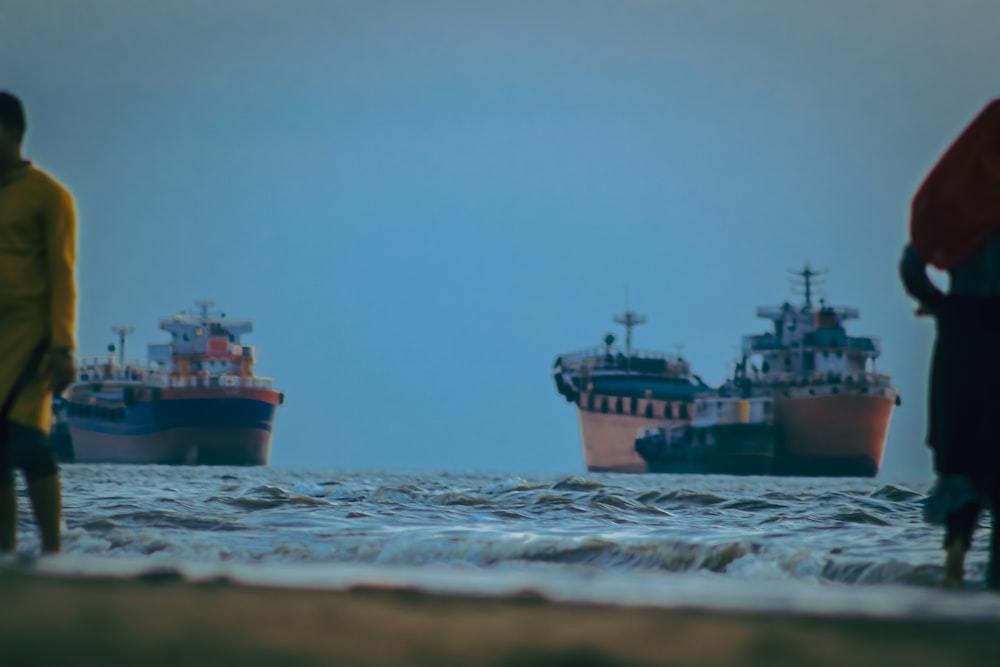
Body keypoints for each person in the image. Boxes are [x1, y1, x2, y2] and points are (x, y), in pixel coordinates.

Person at [900, 98, 1000, 589]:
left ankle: (954, 564)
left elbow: (912, 267)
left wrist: (946, 308)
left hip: (962, 339)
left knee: (962, 456)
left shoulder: (956, 201)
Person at [0, 91, 76, 555]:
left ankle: (53, 550)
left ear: (11, 132)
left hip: (31, 340)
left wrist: (62, 346)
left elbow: (62, 274)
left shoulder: (50, 197)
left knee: (28, 443)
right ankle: (5, 553)